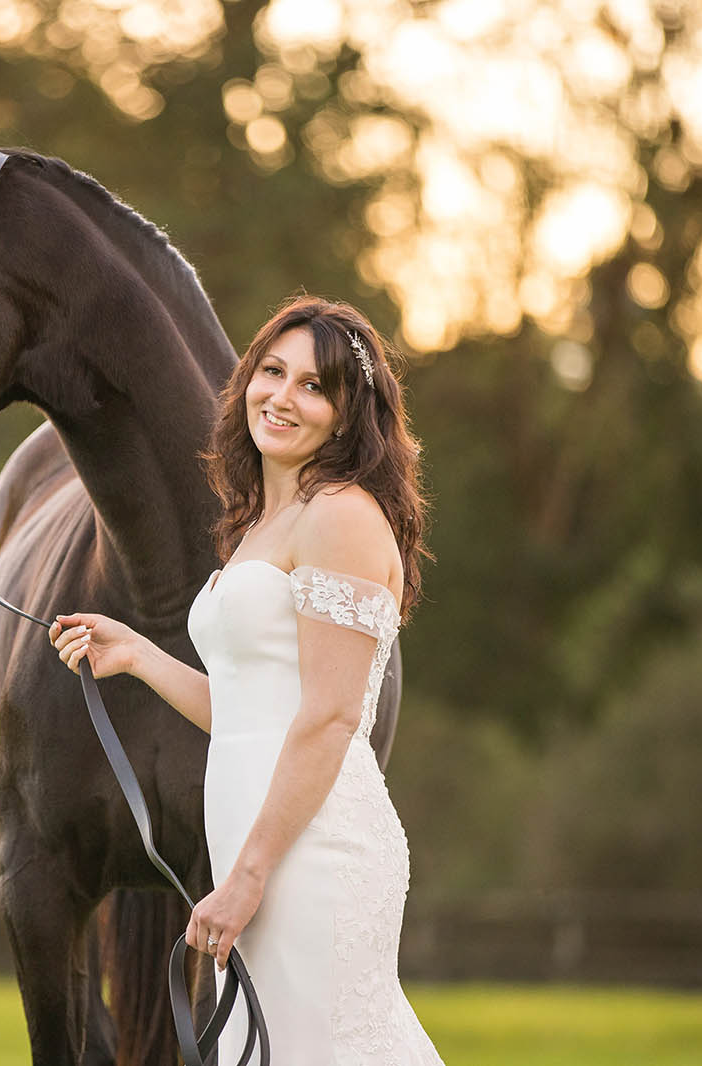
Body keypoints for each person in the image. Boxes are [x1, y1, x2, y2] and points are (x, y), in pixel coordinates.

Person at [47, 295, 442, 1063]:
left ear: (347, 414)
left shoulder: (342, 517)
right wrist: (134, 654)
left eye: (313, 386)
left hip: (311, 851)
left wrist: (248, 876)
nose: (283, 397)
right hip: (259, 848)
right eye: (272, 371)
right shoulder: (263, 521)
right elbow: (249, 712)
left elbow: (328, 719)